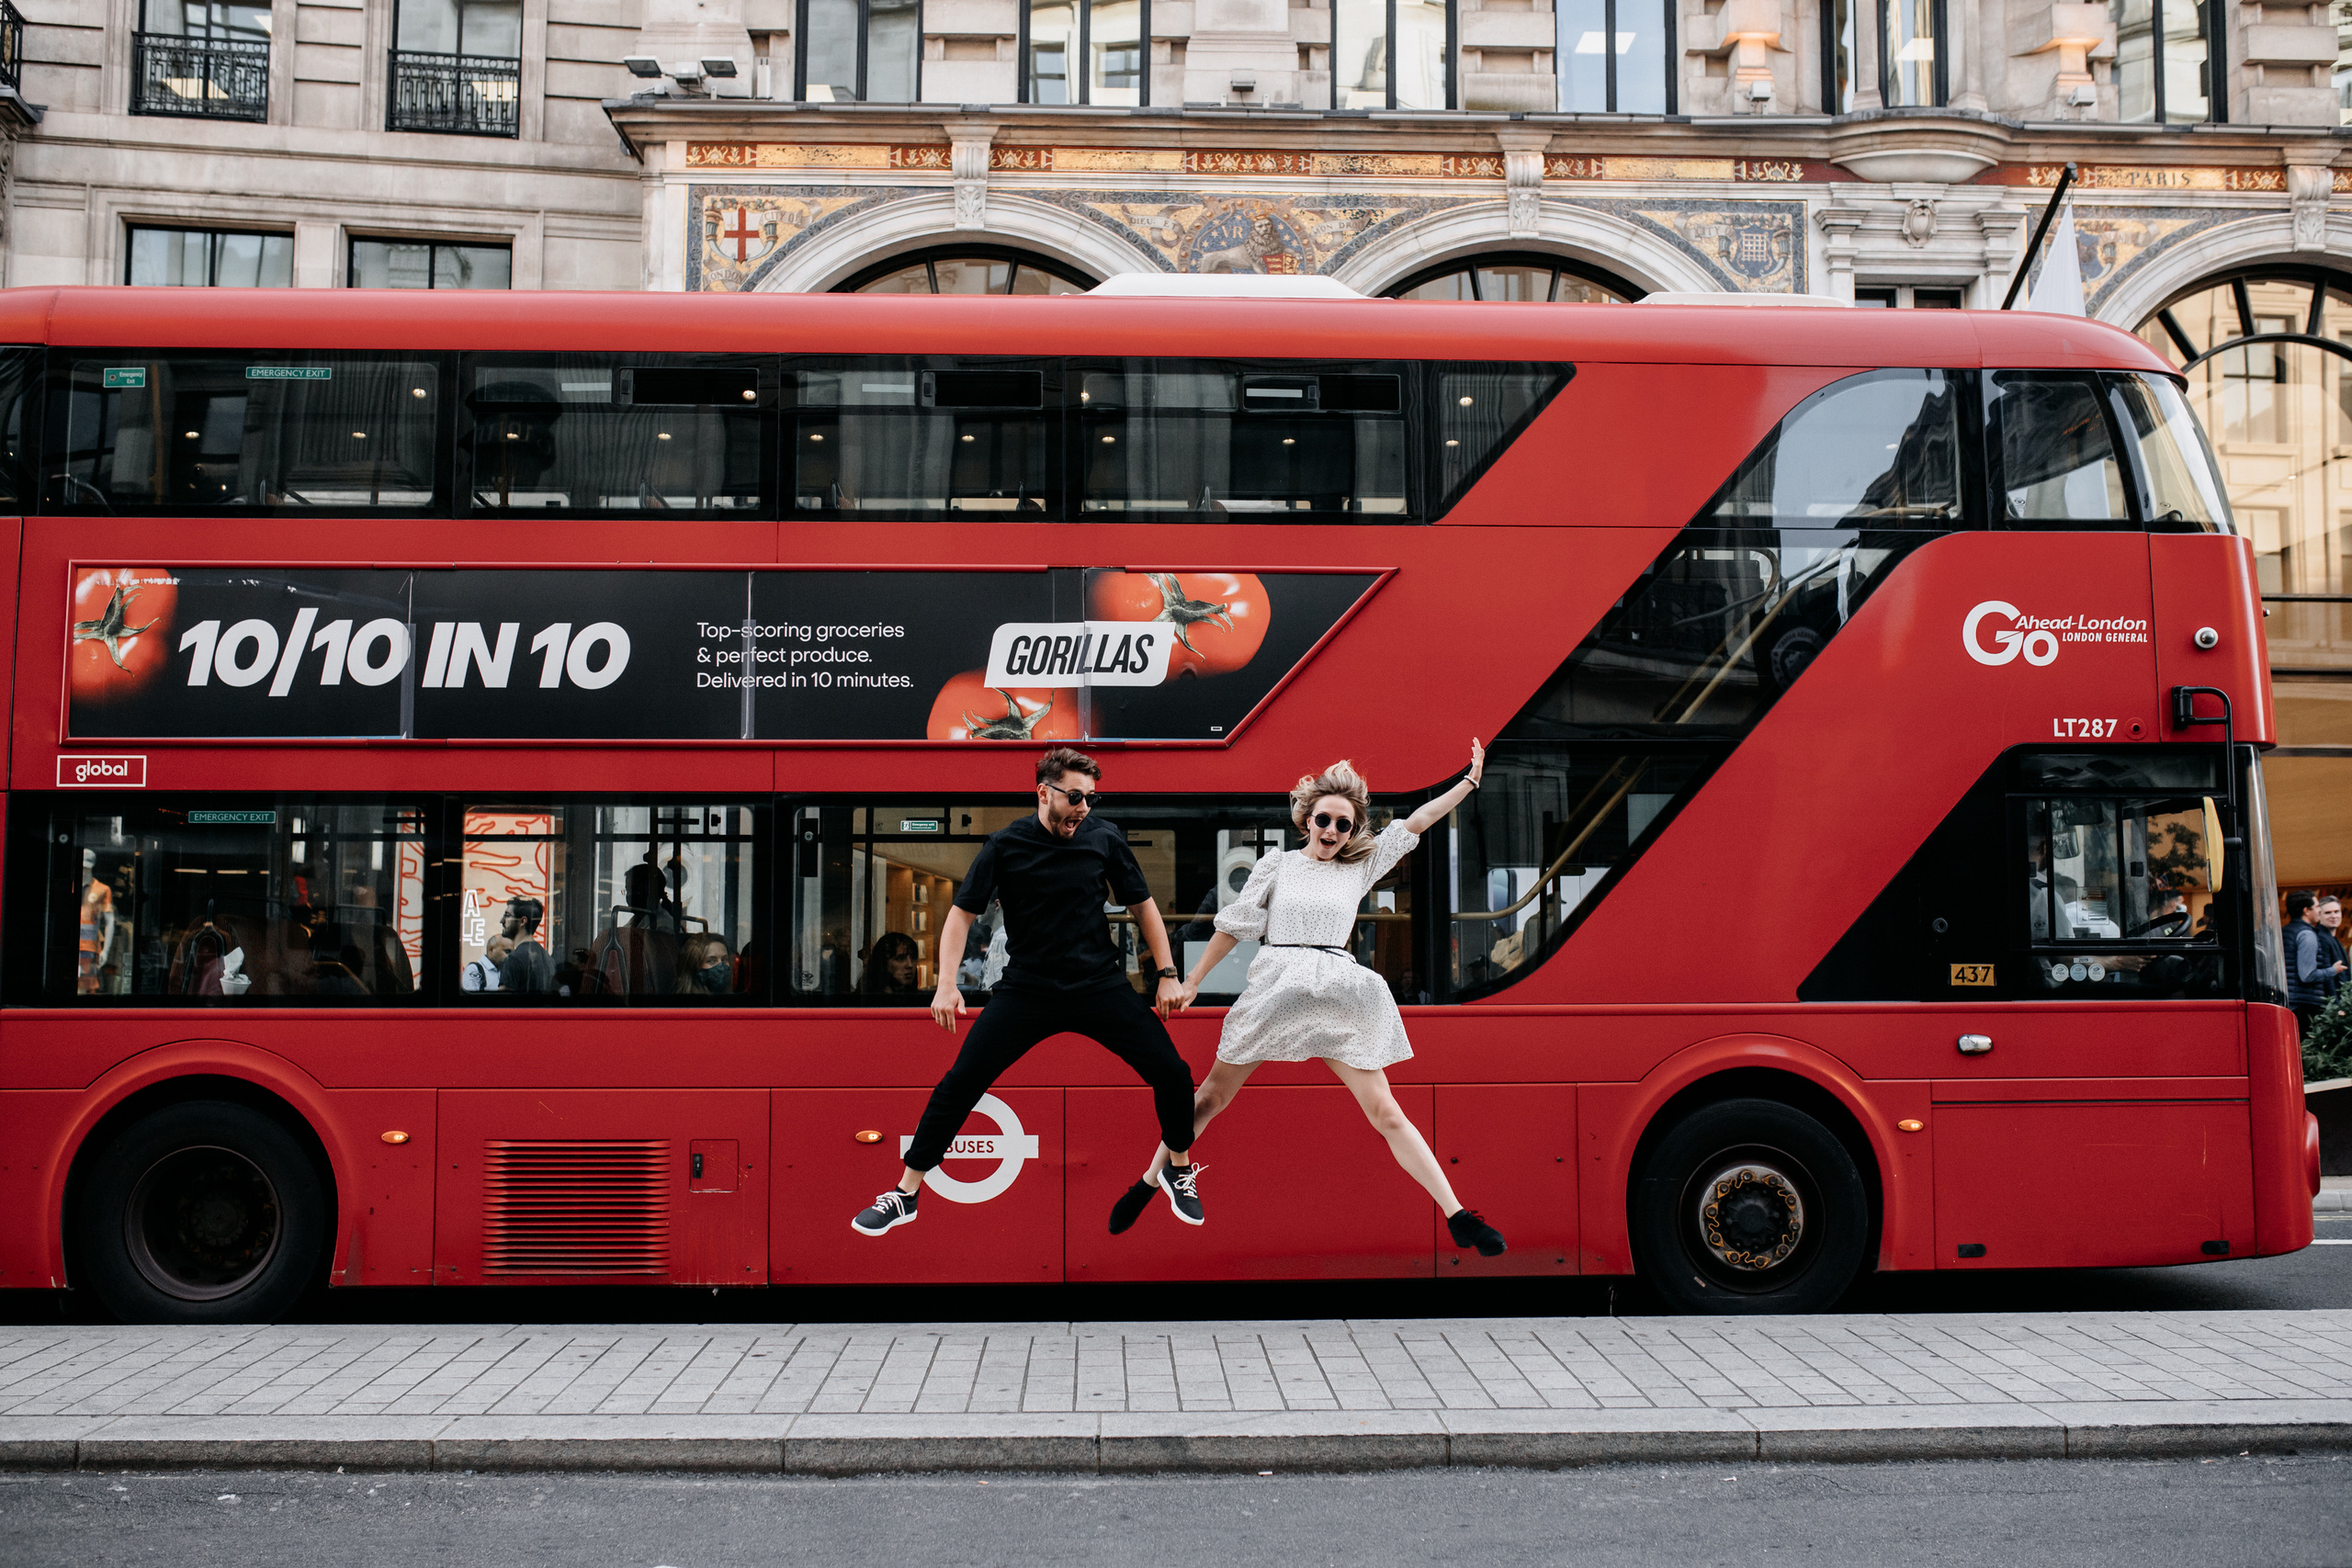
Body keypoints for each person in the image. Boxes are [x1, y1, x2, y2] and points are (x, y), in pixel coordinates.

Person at [1114, 743, 1508, 1258]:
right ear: (1307, 818)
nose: (1332, 832)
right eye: (1325, 820)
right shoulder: (1276, 865)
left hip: (1337, 993)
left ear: (1352, 832)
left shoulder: (1359, 869)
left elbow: (1417, 821)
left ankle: (1459, 1216)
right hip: (1277, 989)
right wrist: (1191, 982)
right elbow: (1233, 929)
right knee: (1208, 1099)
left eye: (1344, 826)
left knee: (1386, 1113)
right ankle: (1149, 1182)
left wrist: (1469, 783)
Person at [852, 747, 1203, 1237]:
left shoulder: (1104, 839)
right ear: (1044, 792)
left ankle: (1177, 1167)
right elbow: (961, 915)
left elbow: (1143, 905)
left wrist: (1167, 973)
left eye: (1091, 798)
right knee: (961, 1084)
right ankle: (905, 1193)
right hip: (1028, 991)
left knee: (1173, 1072)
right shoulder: (1004, 845)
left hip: (1099, 986)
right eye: (1076, 797)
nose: (1084, 808)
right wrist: (947, 984)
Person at [2285, 890, 2344, 1034]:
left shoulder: (2285, 931)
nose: (2319, 910)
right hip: (2304, 1006)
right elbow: (2307, 975)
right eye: (2317, 907)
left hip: (2290, 1002)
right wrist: (2333, 970)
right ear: (2306, 911)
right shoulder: (2307, 935)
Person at [499, 897, 555, 994]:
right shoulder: (548, 959)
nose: (502, 920)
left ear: (522, 921)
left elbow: (504, 1003)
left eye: (507, 915)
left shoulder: (513, 959)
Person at [859, 931, 924, 996]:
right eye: (901, 958)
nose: (910, 965)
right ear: (884, 964)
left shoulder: (922, 1001)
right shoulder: (863, 999)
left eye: (913, 957)